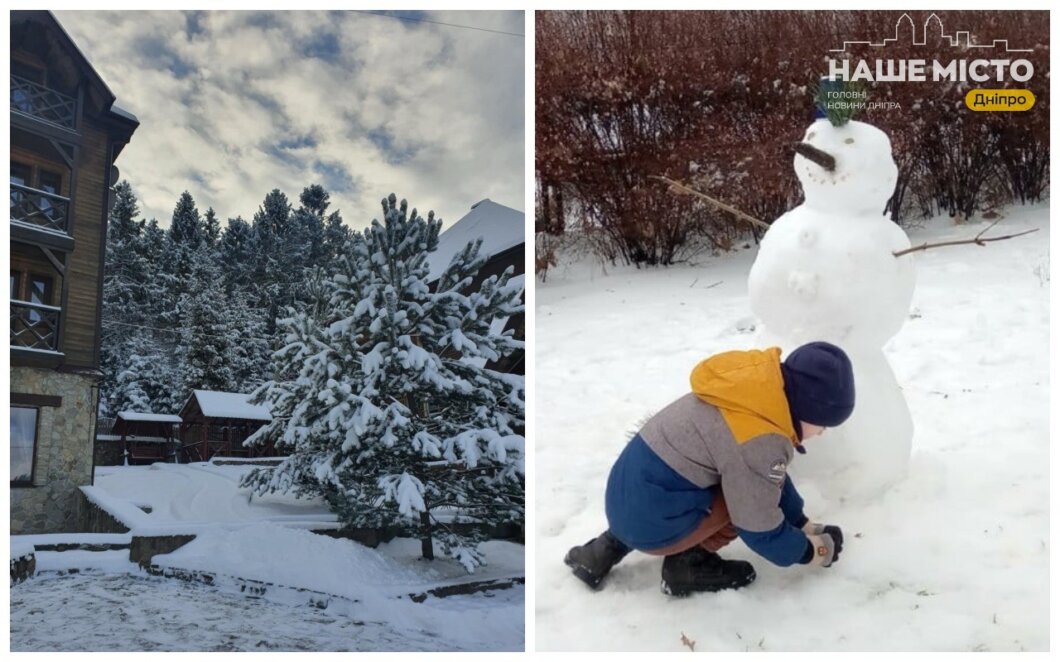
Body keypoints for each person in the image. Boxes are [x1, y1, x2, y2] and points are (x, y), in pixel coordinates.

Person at [564, 341, 854, 596]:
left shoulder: (748, 395)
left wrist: (801, 523)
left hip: (625, 499)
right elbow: (757, 522)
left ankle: (599, 553)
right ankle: (688, 565)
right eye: (824, 422)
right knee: (742, 499)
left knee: (737, 480)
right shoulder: (760, 440)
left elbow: (767, 476)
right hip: (651, 520)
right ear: (806, 409)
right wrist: (813, 551)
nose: (823, 432)